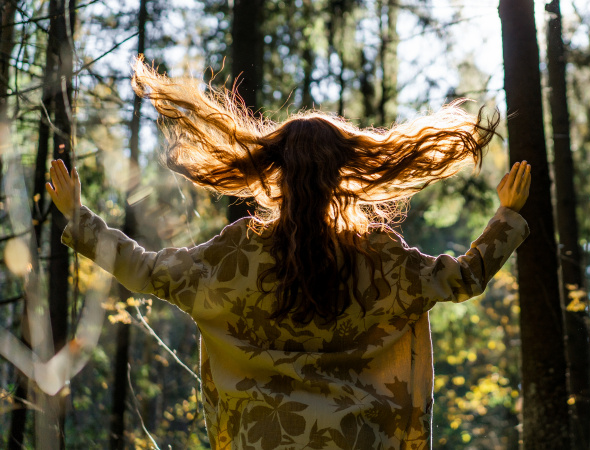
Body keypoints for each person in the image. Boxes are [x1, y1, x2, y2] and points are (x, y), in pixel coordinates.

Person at [46, 59, 531, 450]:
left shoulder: (237, 254)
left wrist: (80, 219)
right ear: (347, 173)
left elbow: (145, 271)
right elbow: (462, 279)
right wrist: (505, 217)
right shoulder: (377, 256)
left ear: (273, 171)